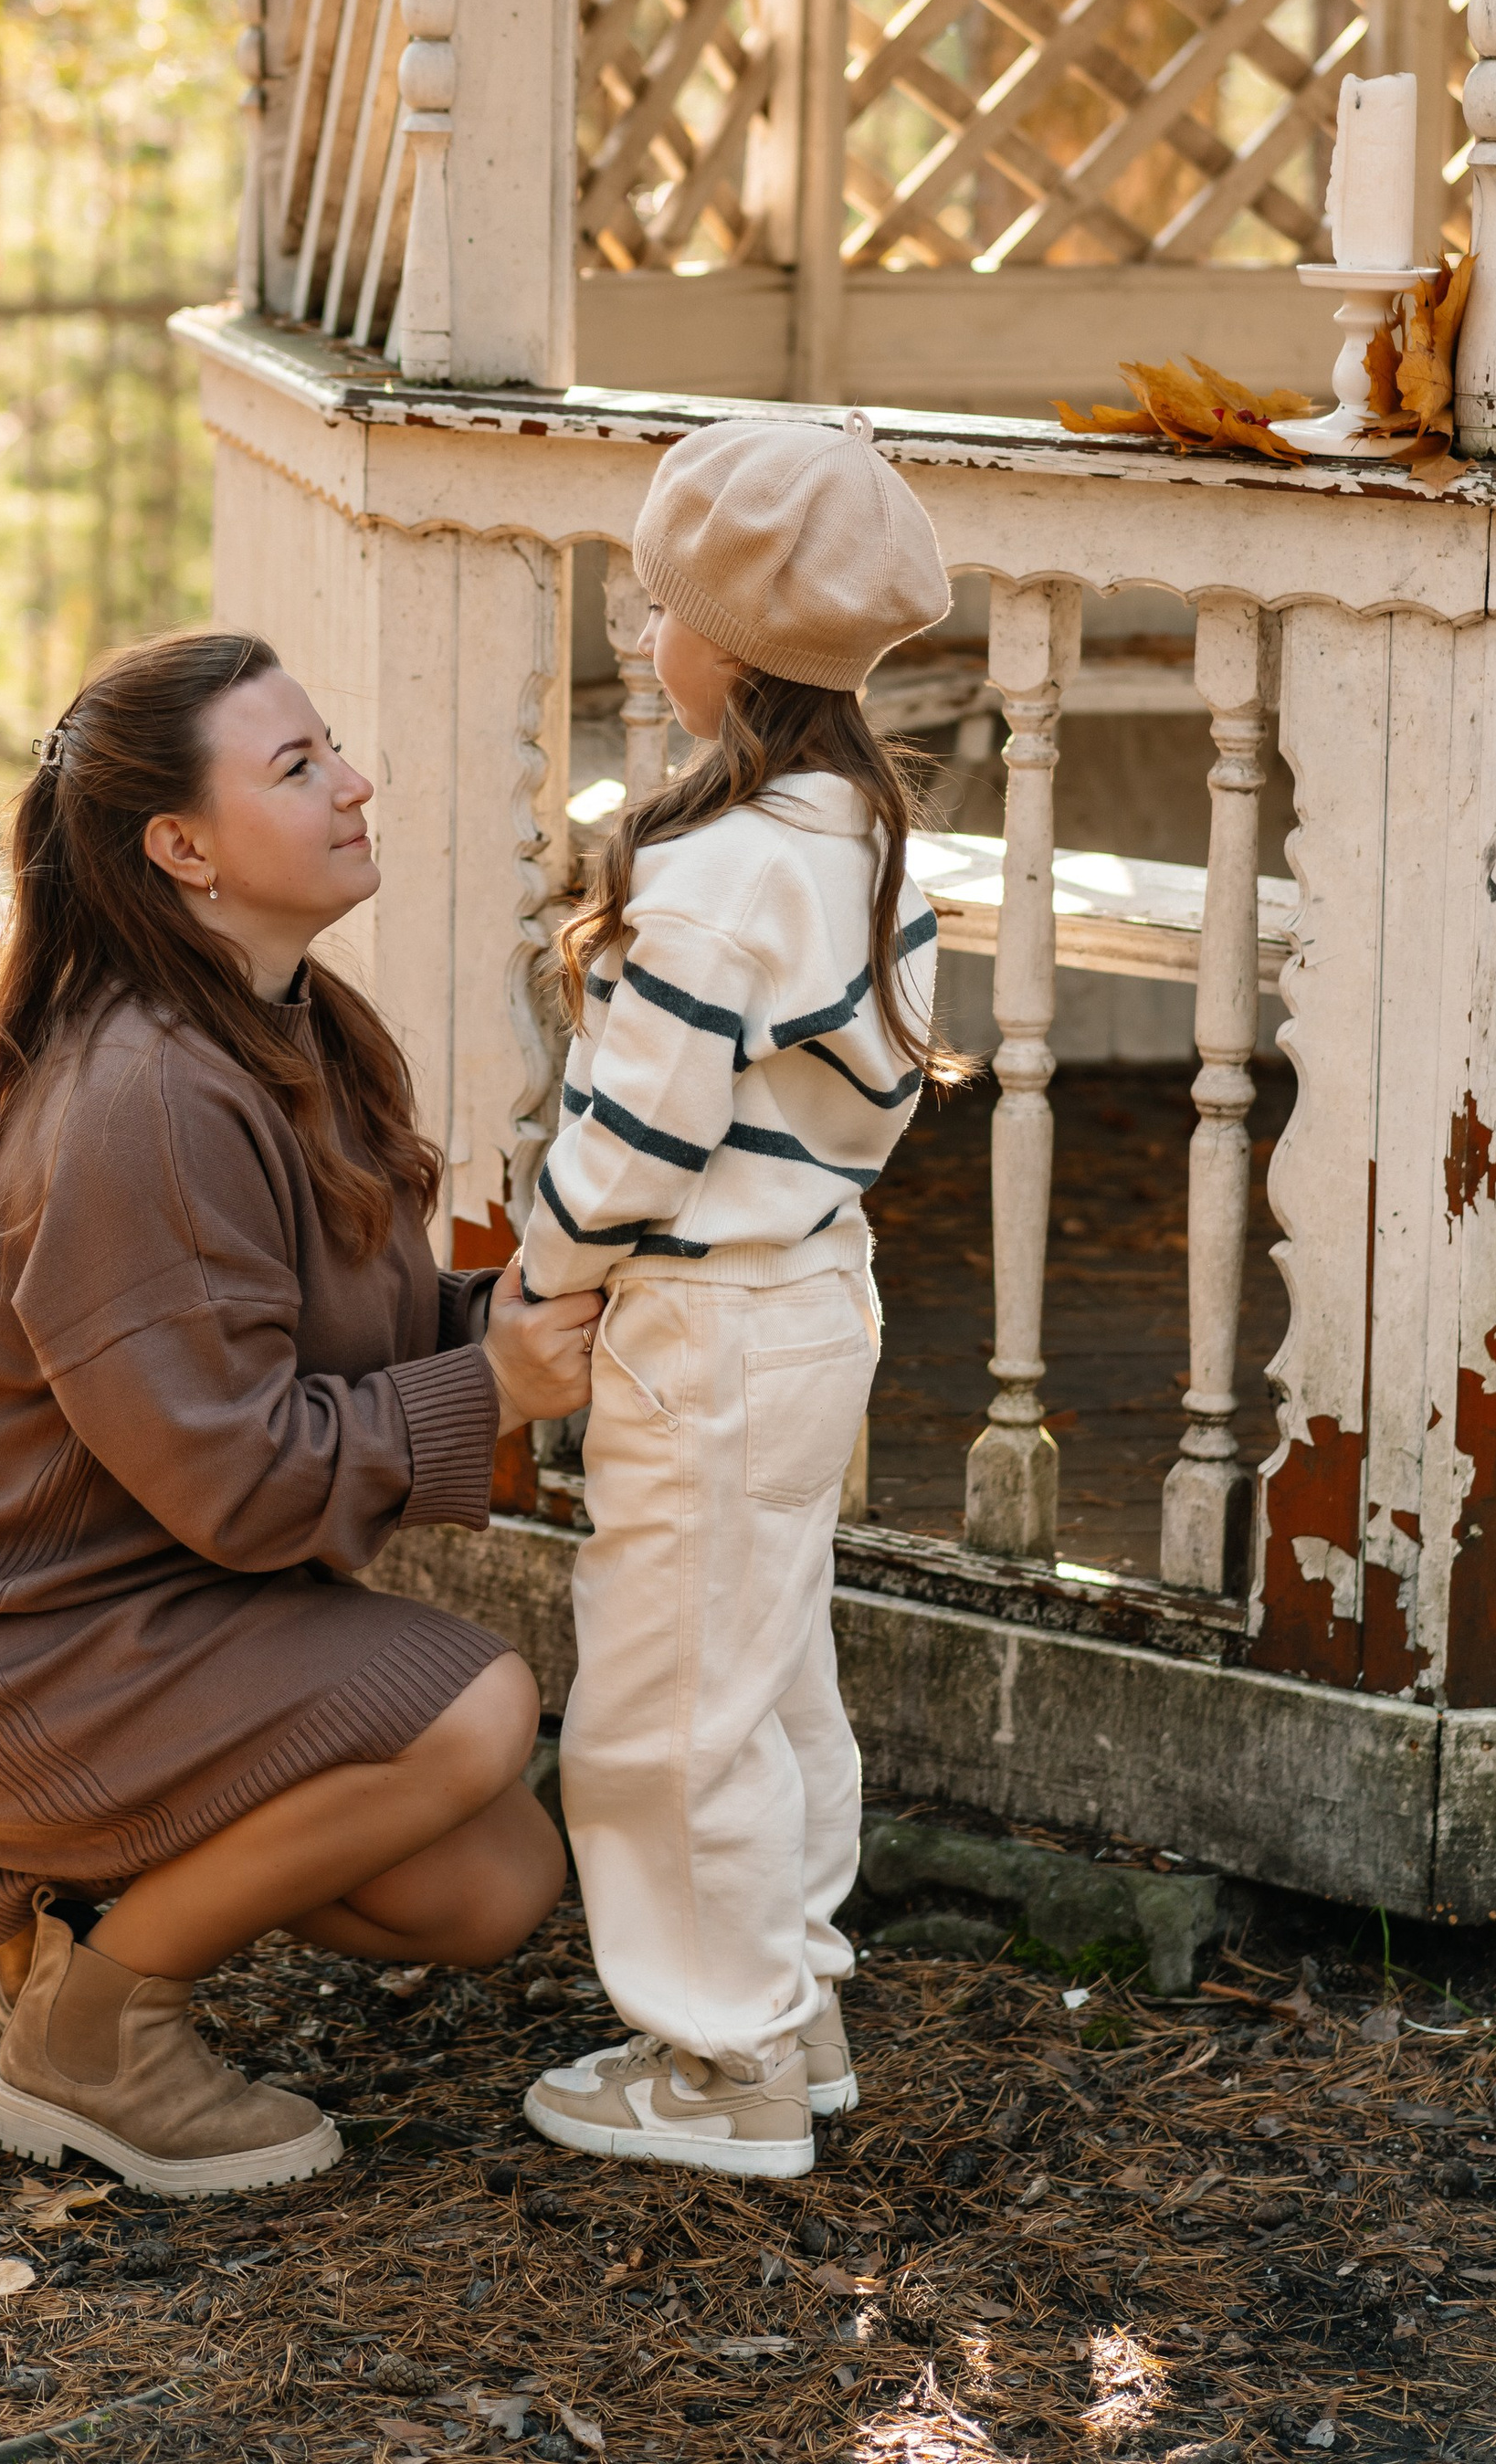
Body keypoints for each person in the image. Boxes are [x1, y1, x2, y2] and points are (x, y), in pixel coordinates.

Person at [0, 628, 599, 2198]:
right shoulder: (143, 1090)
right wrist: (488, 1386)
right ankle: (97, 2035)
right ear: (183, 846)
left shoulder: (288, 1023)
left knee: (491, 1877)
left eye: (332, 747)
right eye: (296, 766)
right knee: (478, 1707)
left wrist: (465, 1324)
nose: (355, 782)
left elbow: (290, 1341)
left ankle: (58, 1923)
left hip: (122, 1588)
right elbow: (237, 1474)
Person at [516, 416, 968, 2180]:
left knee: (660, 1703)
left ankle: (723, 2066)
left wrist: (542, 1288)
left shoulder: (712, 882)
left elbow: (630, 1142)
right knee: (770, 1675)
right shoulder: (859, 831)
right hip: (813, 1302)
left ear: (742, 647)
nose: (647, 634)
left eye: (665, 603)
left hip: (704, 1329)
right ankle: (795, 1998)